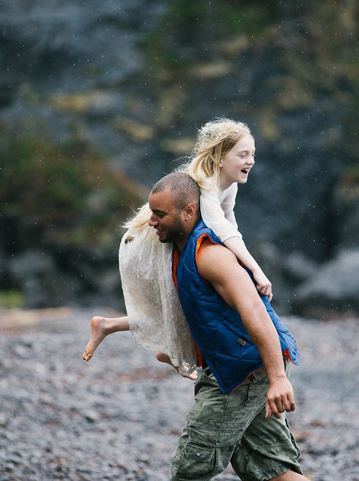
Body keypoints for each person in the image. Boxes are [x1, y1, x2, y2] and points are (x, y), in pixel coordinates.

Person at [82, 119, 273, 379]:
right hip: (155, 240)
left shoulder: (231, 185)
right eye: (243, 155)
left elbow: (230, 224)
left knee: (184, 303)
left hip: (179, 241)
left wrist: (238, 263)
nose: (250, 161)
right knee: (179, 303)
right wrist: (256, 269)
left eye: (252, 154)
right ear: (219, 158)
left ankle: (109, 325)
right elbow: (220, 227)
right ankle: (169, 351)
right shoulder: (207, 183)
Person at [148, 171, 306, 480]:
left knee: (189, 471)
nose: (151, 221)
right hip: (241, 369)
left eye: (159, 214)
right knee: (273, 472)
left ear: (188, 212)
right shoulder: (180, 247)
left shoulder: (210, 255)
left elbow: (255, 309)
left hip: (245, 372)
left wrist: (278, 378)